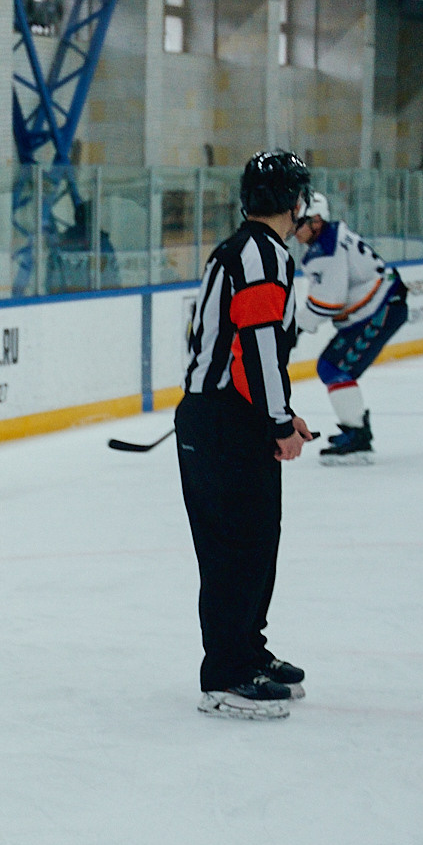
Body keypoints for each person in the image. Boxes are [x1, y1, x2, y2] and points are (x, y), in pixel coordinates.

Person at [176, 150, 316, 719]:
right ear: (296, 201)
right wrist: (276, 421)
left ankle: (247, 651)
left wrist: (280, 411)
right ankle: (227, 674)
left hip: (226, 416)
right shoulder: (261, 256)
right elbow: (254, 351)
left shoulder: (246, 249)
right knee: (235, 546)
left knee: (256, 539)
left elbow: (250, 353)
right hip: (224, 422)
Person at [290, 191, 407, 464]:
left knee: (334, 367)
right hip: (380, 307)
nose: (294, 230)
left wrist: (295, 329)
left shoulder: (327, 248)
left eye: (300, 223)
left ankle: (358, 437)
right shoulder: (329, 240)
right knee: (333, 367)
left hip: (382, 308)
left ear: (317, 221)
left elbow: (329, 302)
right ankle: (356, 430)